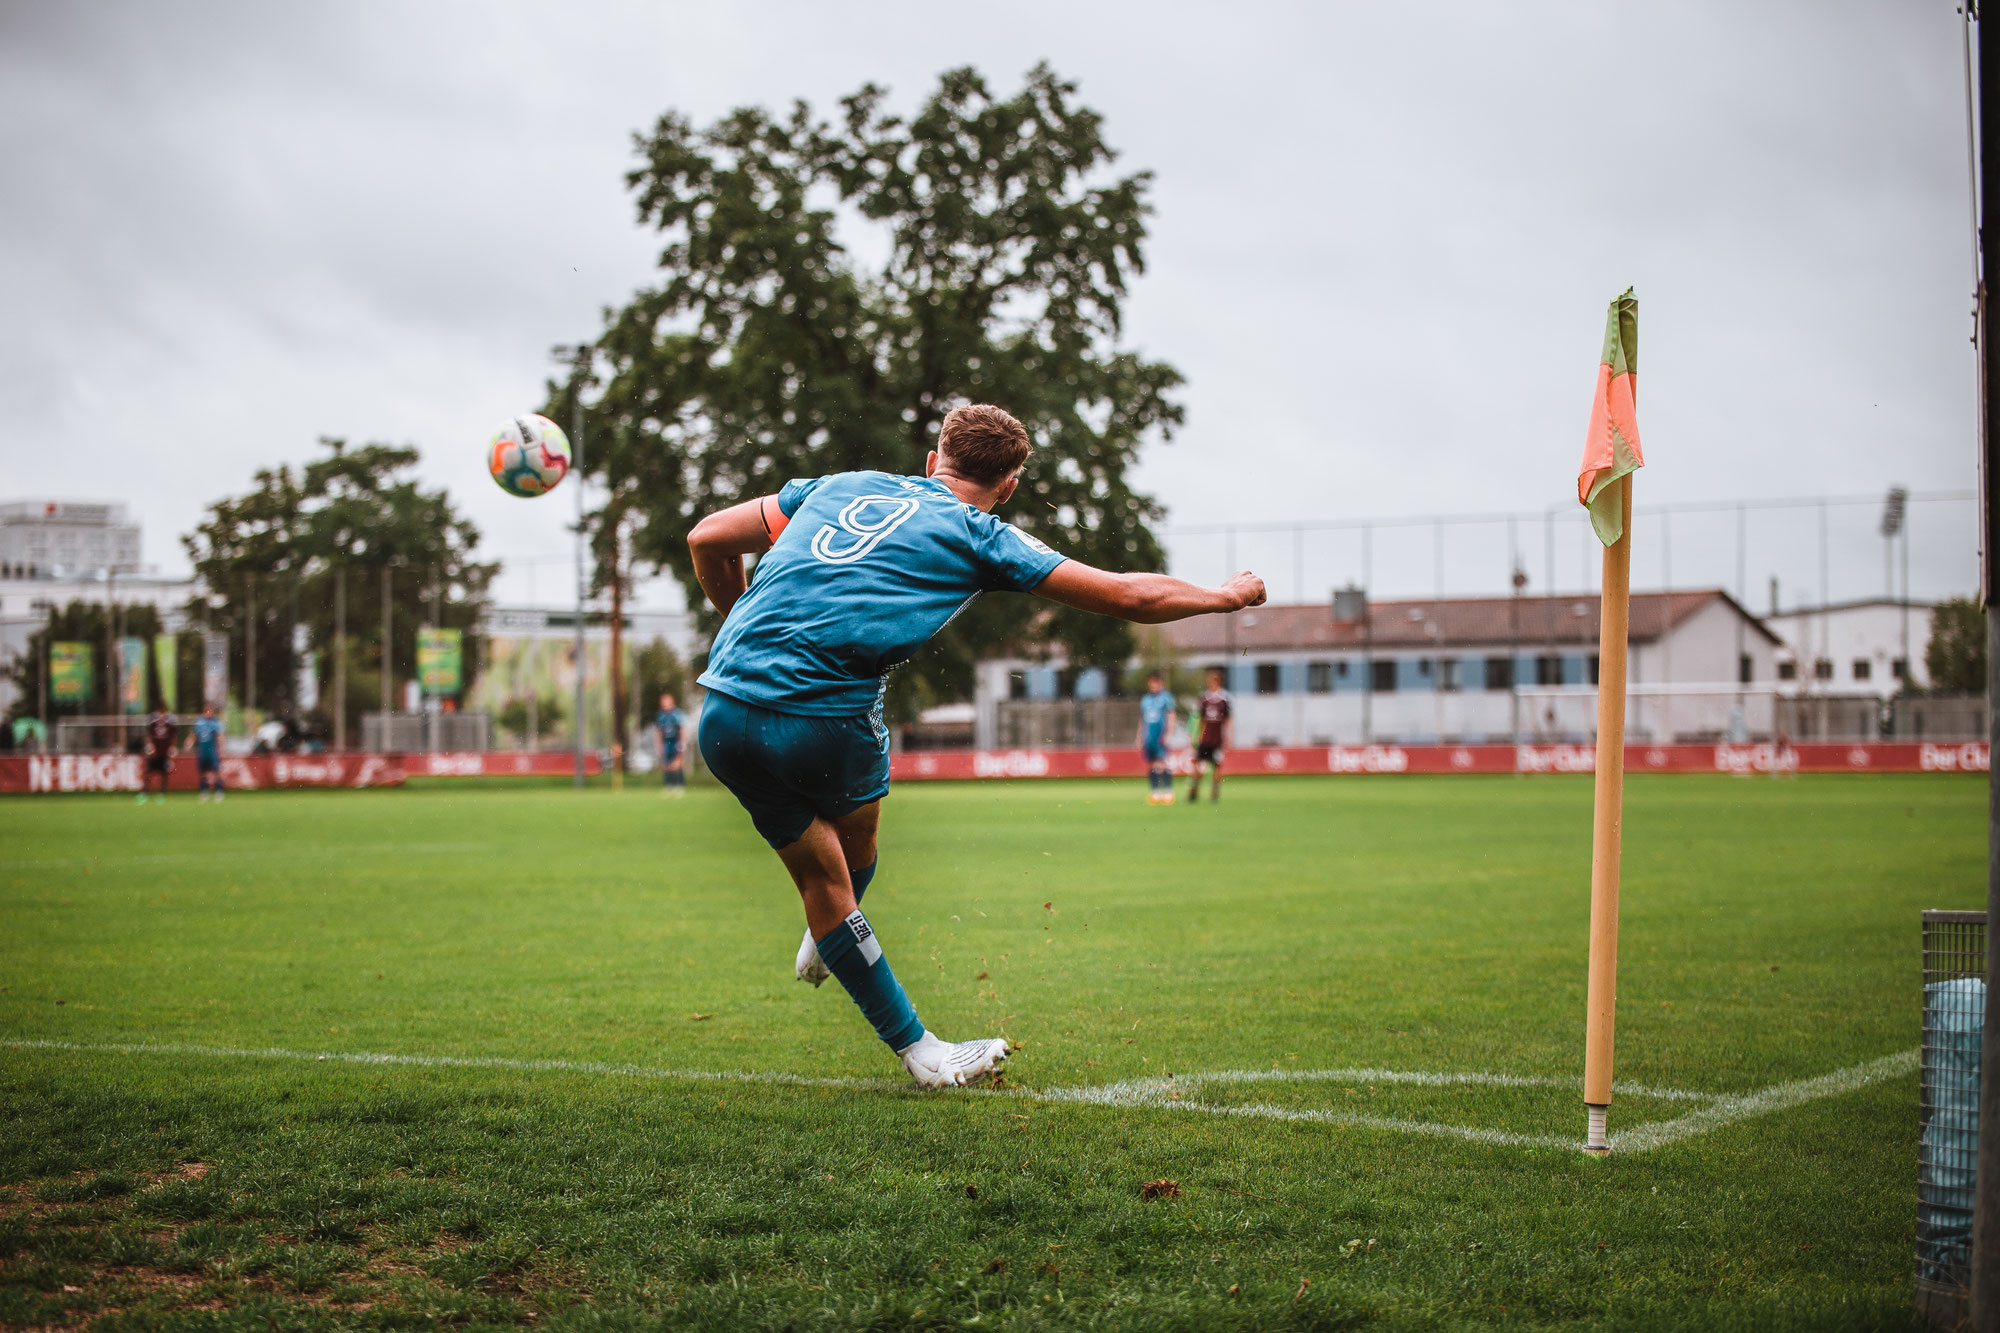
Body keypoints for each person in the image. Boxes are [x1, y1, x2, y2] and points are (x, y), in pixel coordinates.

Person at [688, 403, 1264, 1089]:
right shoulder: (977, 533)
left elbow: (706, 539)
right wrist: (1225, 597)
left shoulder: (839, 484)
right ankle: (917, 1043)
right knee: (848, 856)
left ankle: (834, 929)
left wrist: (746, 625)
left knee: (828, 872)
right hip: (822, 715)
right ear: (1011, 484)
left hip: (723, 708)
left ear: (934, 457)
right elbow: (1128, 597)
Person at [1187, 667, 1232, 804]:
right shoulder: (1204, 699)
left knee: (1217, 766)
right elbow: (1200, 719)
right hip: (1205, 739)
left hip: (1217, 739)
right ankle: (1193, 792)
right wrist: (1196, 736)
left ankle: (1215, 793)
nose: (1210, 683)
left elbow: (1228, 720)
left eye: (1212, 680)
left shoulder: (1224, 699)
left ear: (1218, 681)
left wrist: (1228, 737)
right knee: (1198, 765)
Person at [1136, 671, 1178, 804]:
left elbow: (1171, 715)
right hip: (1148, 737)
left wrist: (1169, 733)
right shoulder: (1145, 699)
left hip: (1160, 736)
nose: (1153, 685)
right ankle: (1155, 792)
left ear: (1160, 683)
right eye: (1151, 683)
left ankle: (1168, 792)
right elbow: (1142, 719)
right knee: (1150, 764)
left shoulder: (1166, 698)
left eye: (1155, 682)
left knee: (1162, 763)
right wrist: (1139, 736)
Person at [139, 706, 176, 805]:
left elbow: (173, 737)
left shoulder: (169, 724)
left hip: (164, 752)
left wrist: (172, 748)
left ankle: (162, 793)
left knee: (163, 773)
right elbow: (149, 735)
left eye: (163, 713)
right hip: (154, 753)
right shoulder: (153, 723)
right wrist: (149, 746)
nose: (161, 715)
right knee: (148, 772)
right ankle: (144, 793)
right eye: (160, 712)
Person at [191, 704, 225, 802]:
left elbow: (219, 735)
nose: (208, 713)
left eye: (210, 711)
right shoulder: (199, 722)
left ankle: (219, 791)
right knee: (202, 772)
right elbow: (194, 734)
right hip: (202, 751)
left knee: (216, 771)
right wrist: (189, 743)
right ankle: (204, 792)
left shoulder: (215, 722)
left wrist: (221, 747)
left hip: (212, 751)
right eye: (207, 711)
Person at [655, 692, 687, 794]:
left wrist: (682, 743)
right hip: (666, 743)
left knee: (678, 764)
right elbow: (658, 732)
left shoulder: (677, 714)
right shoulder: (660, 715)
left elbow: (682, 729)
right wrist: (658, 745)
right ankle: (668, 786)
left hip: (676, 742)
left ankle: (679, 786)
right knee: (666, 765)